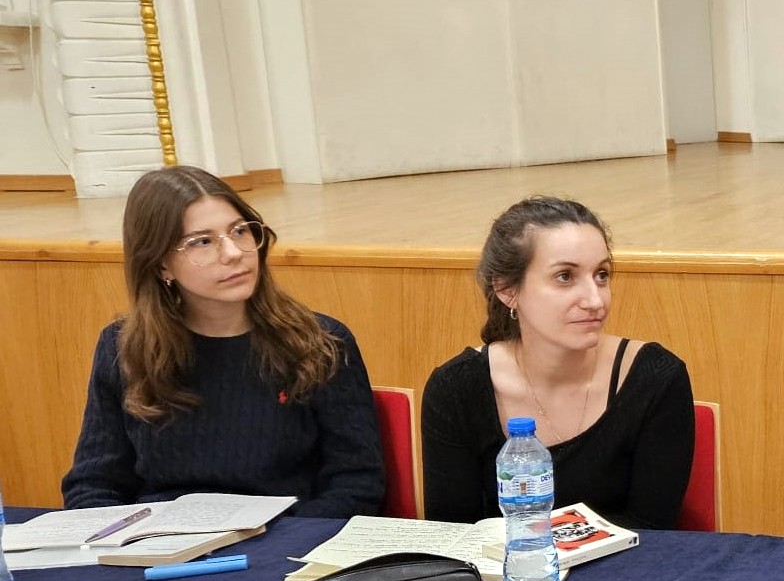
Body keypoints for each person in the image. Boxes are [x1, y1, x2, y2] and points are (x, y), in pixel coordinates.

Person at [62, 166, 385, 516]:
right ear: (161, 266)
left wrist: (284, 539)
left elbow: (356, 484)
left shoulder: (321, 343)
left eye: (239, 231)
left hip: (285, 535)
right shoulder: (123, 347)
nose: (233, 253)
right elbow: (95, 485)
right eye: (202, 241)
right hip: (160, 539)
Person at [422, 196, 694, 527]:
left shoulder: (655, 378)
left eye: (601, 275)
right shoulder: (455, 388)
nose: (595, 300)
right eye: (565, 276)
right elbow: (453, 535)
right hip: (503, 562)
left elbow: (653, 528)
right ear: (507, 289)